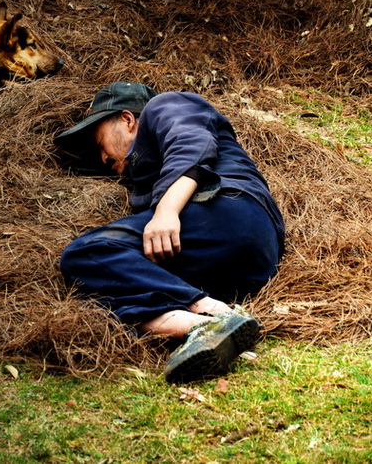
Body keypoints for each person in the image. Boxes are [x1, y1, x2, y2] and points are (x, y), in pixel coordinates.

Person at [54, 81, 284, 383]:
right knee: (97, 296)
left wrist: (166, 211)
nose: (102, 158)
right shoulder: (145, 176)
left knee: (87, 254)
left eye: (100, 143)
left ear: (127, 119)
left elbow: (195, 149)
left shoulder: (166, 106)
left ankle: (212, 314)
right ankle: (200, 326)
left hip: (228, 210)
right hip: (246, 267)